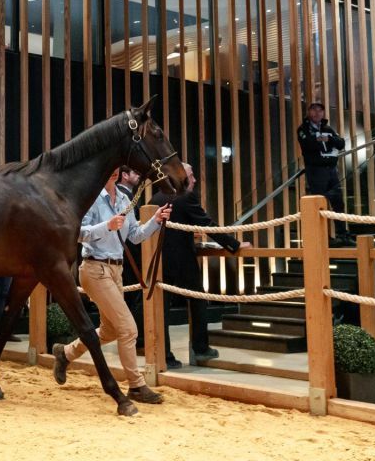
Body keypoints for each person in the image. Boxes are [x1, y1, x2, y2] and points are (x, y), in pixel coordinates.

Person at [52, 168, 172, 404]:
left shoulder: (125, 199)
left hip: (116, 270)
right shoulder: (91, 198)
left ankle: (65, 353)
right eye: (111, 168)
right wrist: (106, 226)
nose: (115, 172)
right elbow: (77, 233)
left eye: (117, 169)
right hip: (95, 270)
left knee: (109, 331)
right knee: (128, 329)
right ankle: (136, 386)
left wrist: (155, 221)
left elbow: (135, 236)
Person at [150, 163, 251, 368]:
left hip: (160, 261)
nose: (194, 180)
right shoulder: (185, 197)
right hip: (183, 261)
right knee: (198, 301)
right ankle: (201, 348)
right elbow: (207, 225)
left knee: (161, 310)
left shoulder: (155, 198)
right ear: (181, 177)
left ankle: (165, 357)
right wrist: (235, 245)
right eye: (191, 175)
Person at [297, 102, 354, 247]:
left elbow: (341, 143)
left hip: (332, 171)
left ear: (323, 113)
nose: (317, 113)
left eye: (320, 110)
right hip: (316, 172)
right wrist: (324, 140)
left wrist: (326, 138)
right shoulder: (303, 129)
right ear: (309, 112)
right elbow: (308, 144)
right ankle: (322, 237)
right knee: (320, 205)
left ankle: (342, 235)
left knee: (338, 204)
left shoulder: (328, 129)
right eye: (314, 110)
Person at [115, 165, 145, 352]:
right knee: (130, 296)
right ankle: (132, 339)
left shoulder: (130, 196)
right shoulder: (121, 196)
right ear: (124, 175)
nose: (139, 175)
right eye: (135, 172)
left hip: (129, 250)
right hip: (125, 253)